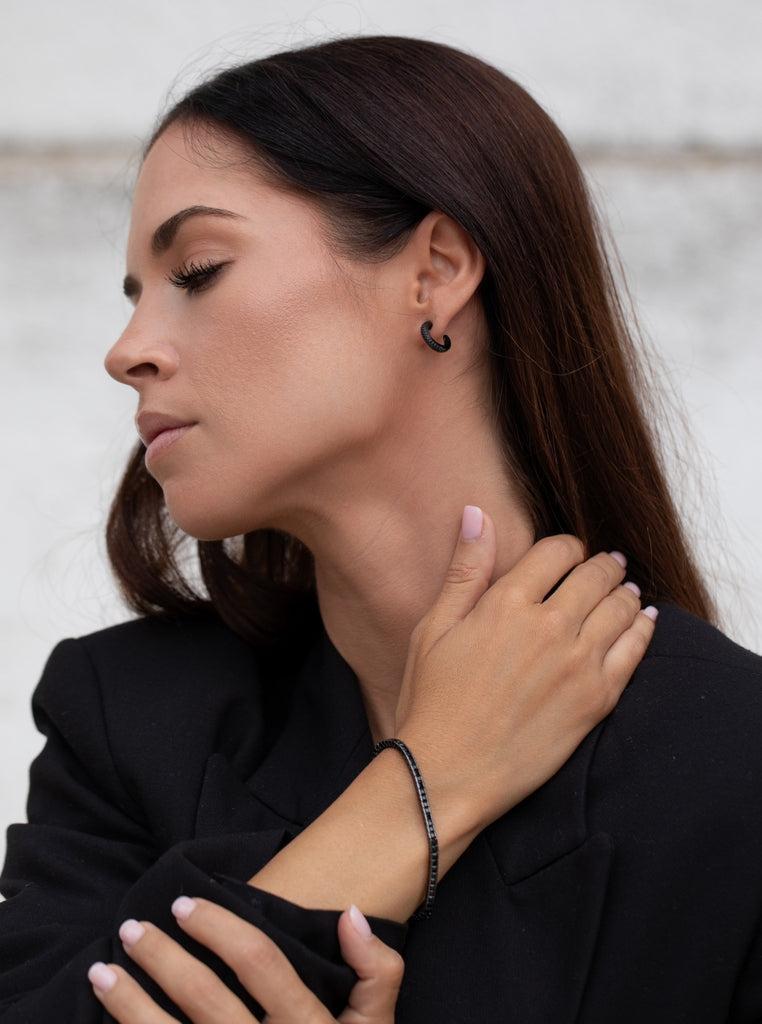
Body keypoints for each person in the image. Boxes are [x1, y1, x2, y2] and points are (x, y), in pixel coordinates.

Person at [1, 33, 760, 1024]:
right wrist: (430, 779)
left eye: (197, 269)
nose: (127, 351)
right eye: (136, 297)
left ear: (434, 272)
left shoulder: (732, 766)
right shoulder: (123, 723)